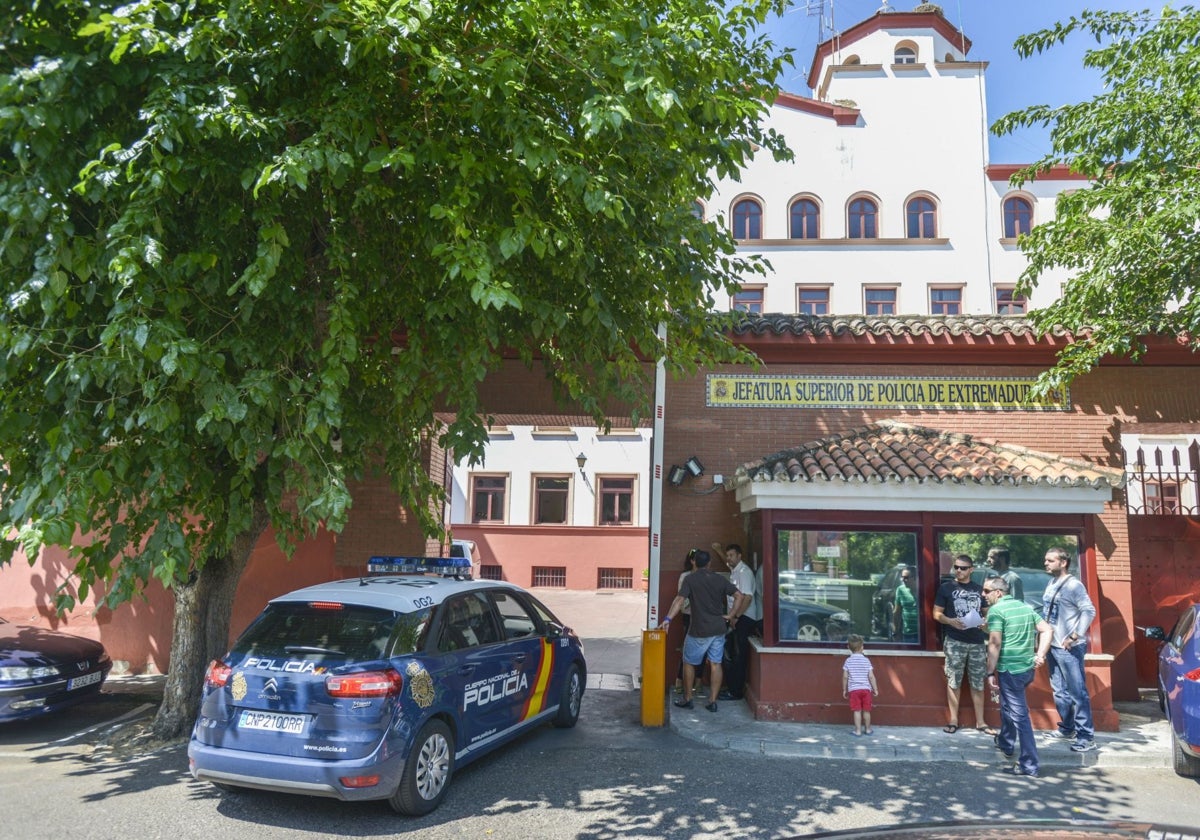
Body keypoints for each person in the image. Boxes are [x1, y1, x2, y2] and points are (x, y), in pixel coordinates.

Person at [661, 550, 747, 713]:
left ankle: (688, 698)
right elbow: (739, 596)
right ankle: (712, 701)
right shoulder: (719, 579)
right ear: (709, 564)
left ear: (695, 563)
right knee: (716, 663)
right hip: (718, 628)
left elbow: (679, 600)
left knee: (689, 662)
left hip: (699, 629)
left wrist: (668, 619)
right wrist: (731, 615)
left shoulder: (690, 579)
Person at [984, 576, 1053, 777]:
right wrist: (1040, 654)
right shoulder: (1024, 607)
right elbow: (1047, 629)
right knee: (1008, 706)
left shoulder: (997, 610)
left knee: (1020, 716)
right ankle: (1006, 742)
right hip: (1026, 669)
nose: (984, 595)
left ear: (998, 593)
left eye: (987, 591)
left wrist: (989, 672)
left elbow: (995, 644)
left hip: (1010, 670)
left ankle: (1029, 764)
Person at [1041, 546, 1098, 752]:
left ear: (1063, 562)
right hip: (1053, 646)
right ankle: (1067, 728)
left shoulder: (1074, 585)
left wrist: (1075, 635)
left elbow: (1089, 610)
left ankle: (1086, 736)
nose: (1045, 563)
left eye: (1050, 560)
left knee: (1077, 692)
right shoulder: (1051, 582)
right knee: (1059, 692)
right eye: (1046, 560)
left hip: (1069, 648)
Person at [933, 554, 994, 735]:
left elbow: (987, 613)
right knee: (953, 681)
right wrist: (950, 621)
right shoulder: (946, 588)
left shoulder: (978, 589)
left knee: (977, 682)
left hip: (976, 641)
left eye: (963, 568)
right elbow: (936, 613)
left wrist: (985, 623)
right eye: (956, 567)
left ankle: (981, 722)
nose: (958, 571)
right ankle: (953, 720)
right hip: (954, 640)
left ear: (971, 570)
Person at [717, 542, 760, 701]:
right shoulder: (735, 570)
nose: (729, 558)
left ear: (739, 556)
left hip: (744, 618)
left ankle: (735, 692)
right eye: (728, 556)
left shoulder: (744, 572)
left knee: (738, 656)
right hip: (736, 618)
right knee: (731, 654)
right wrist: (719, 550)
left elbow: (747, 598)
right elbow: (727, 563)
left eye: (732, 555)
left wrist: (736, 617)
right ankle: (732, 687)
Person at [673, 550, 703, 694]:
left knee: (703, 648)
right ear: (691, 561)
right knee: (687, 648)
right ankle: (679, 679)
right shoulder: (685, 576)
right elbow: (681, 598)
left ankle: (699, 680)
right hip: (689, 615)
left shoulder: (706, 576)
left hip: (703, 617)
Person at [842, 634, 878, 736]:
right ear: (862, 647)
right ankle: (868, 729)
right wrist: (875, 689)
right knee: (867, 710)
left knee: (857, 711)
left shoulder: (848, 661)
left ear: (848, 647)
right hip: (866, 690)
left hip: (854, 690)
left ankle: (857, 731)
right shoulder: (866, 660)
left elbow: (845, 677)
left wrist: (844, 689)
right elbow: (871, 676)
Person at [892, 566, 919, 643]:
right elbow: (897, 612)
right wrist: (895, 632)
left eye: (906, 578)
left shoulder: (925, 590)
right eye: (902, 577)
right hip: (908, 634)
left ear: (915, 578)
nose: (903, 580)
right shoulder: (900, 590)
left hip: (923, 635)